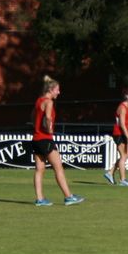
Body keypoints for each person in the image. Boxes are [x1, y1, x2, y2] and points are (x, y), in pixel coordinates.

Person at [31, 75, 83, 207]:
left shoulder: (38, 101)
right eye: (57, 90)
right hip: (45, 139)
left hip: (36, 139)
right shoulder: (49, 102)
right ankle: (68, 196)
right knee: (58, 168)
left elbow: (33, 117)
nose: (58, 92)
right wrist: (49, 129)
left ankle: (40, 199)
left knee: (39, 170)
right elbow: (48, 118)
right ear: (51, 90)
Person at [106, 92, 128, 186]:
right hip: (119, 133)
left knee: (126, 155)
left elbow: (126, 124)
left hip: (123, 133)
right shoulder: (122, 107)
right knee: (124, 155)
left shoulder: (127, 108)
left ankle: (110, 173)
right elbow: (121, 124)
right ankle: (123, 180)